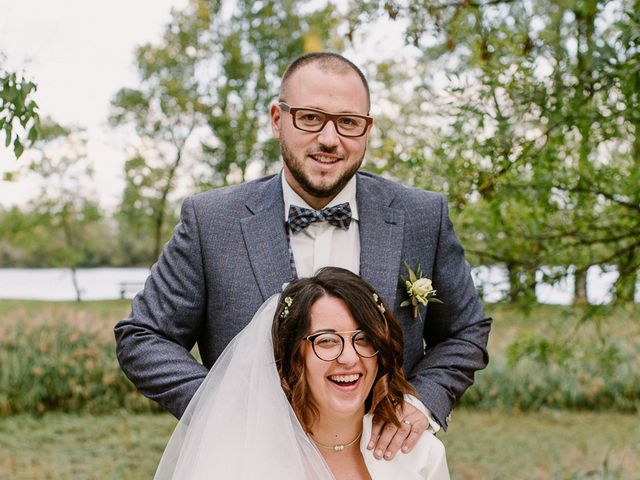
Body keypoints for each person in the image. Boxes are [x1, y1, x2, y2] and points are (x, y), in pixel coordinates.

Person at [115, 51, 491, 460]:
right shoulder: (211, 222)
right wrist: (222, 412)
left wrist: (422, 401)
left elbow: (465, 331)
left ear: (367, 129)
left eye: (348, 122)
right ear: (278, 120)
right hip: (249, 462)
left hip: (382, 463)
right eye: (311, 118)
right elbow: (142, 337)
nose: (329, 139)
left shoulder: (422, 216)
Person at [154, 267, 450, 479]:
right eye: (326, 341)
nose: (349, 358)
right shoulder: (239, 458)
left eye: (364, 339)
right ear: (292, 358)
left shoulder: (420, 455)